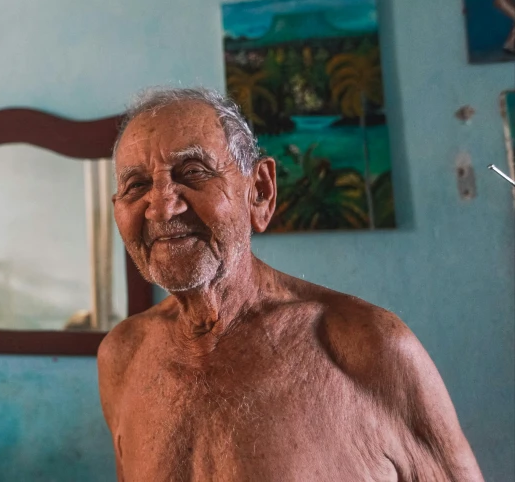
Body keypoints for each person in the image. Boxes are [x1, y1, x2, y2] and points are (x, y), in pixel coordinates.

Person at [97, 87, 483, 481]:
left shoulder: (367, 347)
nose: (162, 206)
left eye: (193, 172)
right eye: (136, 185)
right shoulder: (122, 356)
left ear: (260, 191)